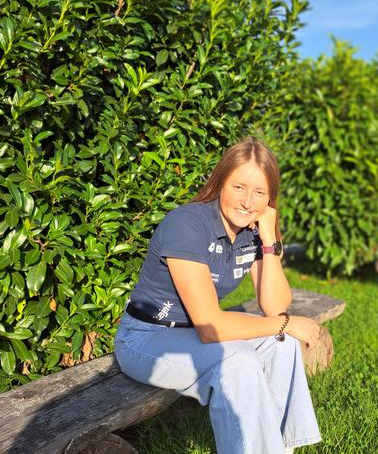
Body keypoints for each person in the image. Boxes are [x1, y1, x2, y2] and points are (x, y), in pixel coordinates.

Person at [114, 138, 323, 454]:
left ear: (270, 199)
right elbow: (211, 326)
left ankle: (276, 449)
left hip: (194, 338)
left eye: (259, 193)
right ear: (220, 182)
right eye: (239, 187)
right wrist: (286, 323)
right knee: (238, 360)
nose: (247, 201)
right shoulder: (186, 224)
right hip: (147, 338)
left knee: (282, 344)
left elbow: (275, 306)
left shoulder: (253, 232)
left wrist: (268, 240)